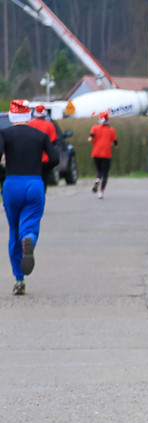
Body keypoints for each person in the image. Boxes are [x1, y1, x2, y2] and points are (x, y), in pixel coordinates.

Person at [1, 99, 59, 296]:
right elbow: (55, 159)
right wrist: (40, 169)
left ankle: (19, 280)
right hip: (34, 183)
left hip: (12, 184)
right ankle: (29, 239)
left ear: (11, 116)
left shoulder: (5, 134)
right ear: (28, 115)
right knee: (30, 223)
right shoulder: (40, 135)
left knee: (13, 229)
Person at [88, 110, 118, 199]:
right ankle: (101, 192)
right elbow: (116, 144)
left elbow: (90, 139)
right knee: (105, 173)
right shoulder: (111, 130)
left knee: (99, 171)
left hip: (96, 153)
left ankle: (97, 180)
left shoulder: (94, 128)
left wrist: (93, 141)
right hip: (106, 154)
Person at [26, 104, 58, 186]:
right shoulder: (49, 125)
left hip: (31, 159)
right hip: (45, 159)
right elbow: (53, 142)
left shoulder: (29, 123)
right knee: (44, 181)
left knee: (32, 181)